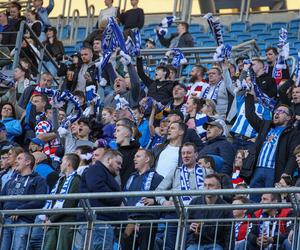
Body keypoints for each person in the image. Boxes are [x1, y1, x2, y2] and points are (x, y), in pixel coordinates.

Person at [245, 89, 300, 202]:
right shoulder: (265, 126)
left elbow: (292, 156)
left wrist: (286, 174)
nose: (277, 113)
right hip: (258, 169)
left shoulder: (293, 133)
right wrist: (250, 96)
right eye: (276, 111)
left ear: (289, 118)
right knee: (253, 202)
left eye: (281, 111)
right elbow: (250, 115)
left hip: (275, 172)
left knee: (271, 201)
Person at [155, 142, 204, 250]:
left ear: (196, 155)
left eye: (189, 153)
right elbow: (159, 190)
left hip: (196, 213)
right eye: (183, 153)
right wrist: (164, 202)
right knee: (169, 246)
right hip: (175, 212)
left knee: (189, 245)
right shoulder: (176, 171)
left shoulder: (205, 171)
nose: (185, 156)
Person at [74, 149, 125, 250]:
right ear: (109, 160)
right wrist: (119, 201)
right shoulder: (96, 169)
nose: (120, 167)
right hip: (98, 223)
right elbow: (97, 188)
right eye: (118, 163)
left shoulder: (102, 172)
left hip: (99, 223)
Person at [0, 152, 47, 250]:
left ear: (28, 162)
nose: (16, 161)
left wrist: (20, 210)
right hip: (5, 221)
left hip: (23, 222)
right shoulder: (10, 181)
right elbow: (1, 199)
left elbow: (40, 201)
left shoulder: (39, 180)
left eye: (19, 159)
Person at [122, 149, 163, 250]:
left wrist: (154, 201)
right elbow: (124, 197)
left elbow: (164, 199)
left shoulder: (157, 178)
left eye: (138, 156)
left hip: (147, 220)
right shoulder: (132, 177)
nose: (134, 158)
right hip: (129, 220)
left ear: (147, 159)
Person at [42, 153, 81, 250]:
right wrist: (47, 216)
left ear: (68, 163)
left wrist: (52, 219)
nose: (60, 164)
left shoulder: (76, 180)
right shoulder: (61, 180)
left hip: (65, 223)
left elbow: (69, 203)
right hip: (53, 222)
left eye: (62, 162)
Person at [186, 174, 234, 250]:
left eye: (210, 185)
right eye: (205, 185)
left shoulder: (226, 207)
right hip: (195, 243)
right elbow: (185, 224)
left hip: (216, 245)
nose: (207, 188)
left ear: (219, 188)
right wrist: (190, 227)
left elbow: (229, 233)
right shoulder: (195, 202)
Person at [115, 118, 140, 187]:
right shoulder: (114, 153)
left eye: (118, 131)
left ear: (126, 133)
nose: (115, 134)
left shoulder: (138, 152)